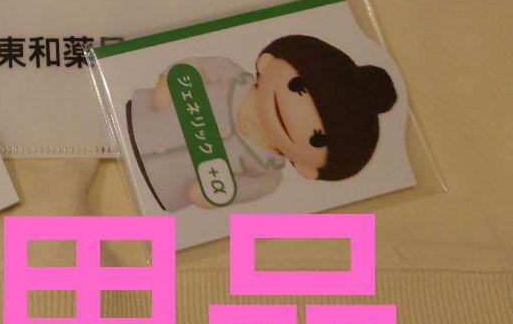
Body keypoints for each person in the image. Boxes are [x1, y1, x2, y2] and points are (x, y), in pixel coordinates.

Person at [125, 35, 397, 211]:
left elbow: (232, 191)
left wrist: (211, 196)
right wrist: (170, 81)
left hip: (159, 187)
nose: (292, 115)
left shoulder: (268, 177)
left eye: (318, 138)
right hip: (138, 118)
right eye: (297, 87)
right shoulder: (232, 76)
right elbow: (199, 66)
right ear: (268, 63)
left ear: (308, 168)